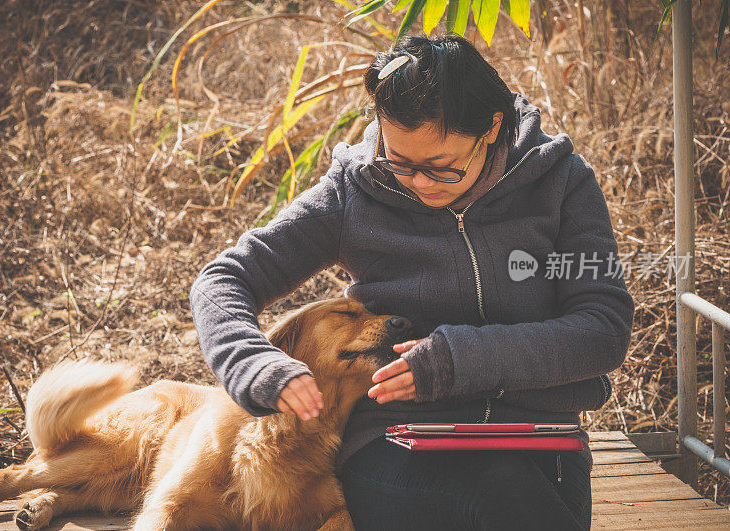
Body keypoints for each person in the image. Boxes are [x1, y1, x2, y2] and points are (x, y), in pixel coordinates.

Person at [190, 34, 634, 530]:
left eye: (441, 168)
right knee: (501, 492)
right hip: (394, 440)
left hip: (537, 437)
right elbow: (223, 280)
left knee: (515, 491)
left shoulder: (563, 184)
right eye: (399, 162)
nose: (418, 184)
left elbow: (602, 329)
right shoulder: (351, 193)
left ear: (490, 129)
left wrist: (457, 361)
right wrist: (253, 364)